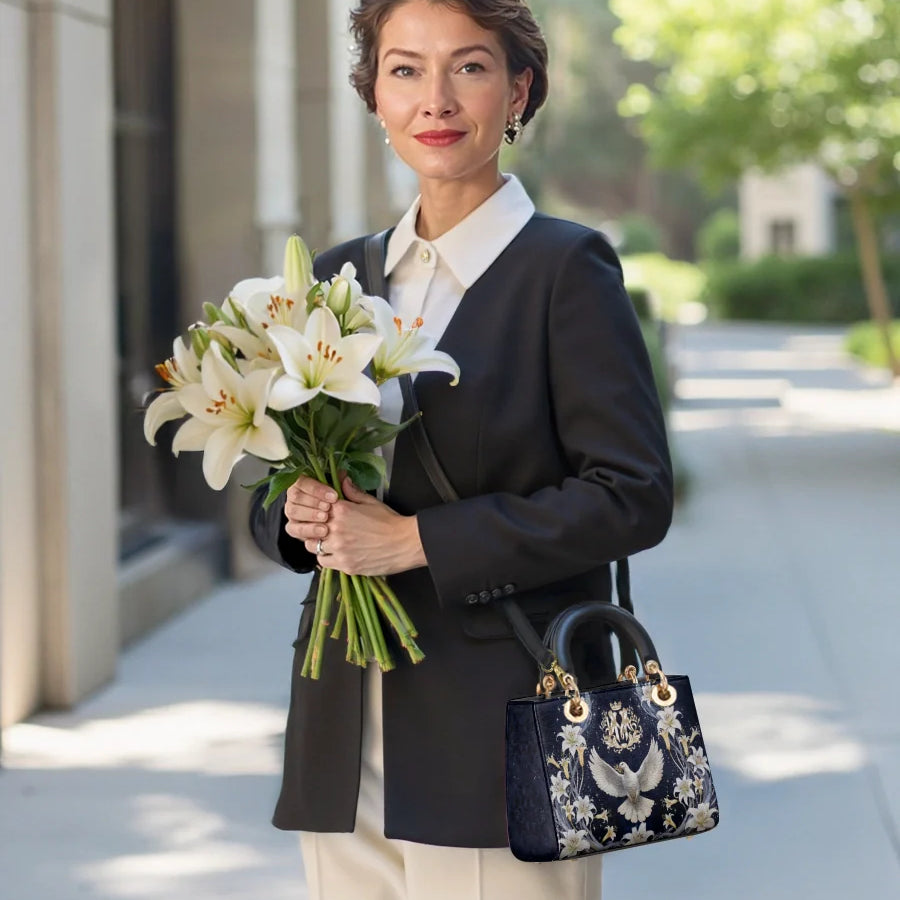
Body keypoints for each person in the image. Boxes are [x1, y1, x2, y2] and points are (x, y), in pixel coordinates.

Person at [250, 1, 673, 897]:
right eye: (405, 69)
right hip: (342, 726)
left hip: (502, 729)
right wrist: (298, 517)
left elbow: (631, 494)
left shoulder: (565, 270)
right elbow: (277, 477)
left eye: (469, 67)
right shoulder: (337, 278)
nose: (435, 98)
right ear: (373, 96)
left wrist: (417, 543)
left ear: (518, 89)